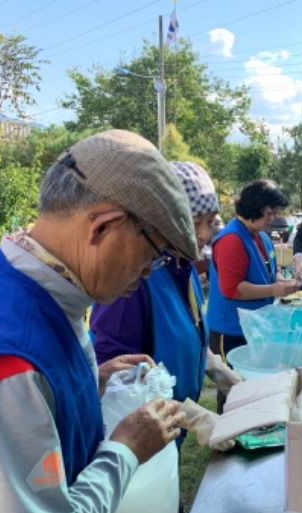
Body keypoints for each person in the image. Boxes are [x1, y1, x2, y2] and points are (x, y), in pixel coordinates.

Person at [0, 129, 192, 513]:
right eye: (152, 257)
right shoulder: (10, 367)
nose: (144, 277)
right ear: (103, 226)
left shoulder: (34, 289)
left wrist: (87, 381)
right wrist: (126, 450)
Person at [90, 161, 241, 438]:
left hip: (170, 428)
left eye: (210, 222)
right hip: (138, 435)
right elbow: (116, 378)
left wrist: (218, 370)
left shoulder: (184, 266)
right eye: (194, 223)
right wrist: (189, 415)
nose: (204, 235)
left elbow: (189, 331)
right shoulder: (134, 281)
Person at [208, 179, 299, 412]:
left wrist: (284, 284)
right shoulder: (231, 240)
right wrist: (272, 290)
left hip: (253, 326)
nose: (272, 219)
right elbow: (232, 289)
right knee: (232, 390)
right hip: (230, 330)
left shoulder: (261, 236)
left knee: (253, 388)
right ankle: (228, 441)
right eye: (269, 213)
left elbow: (267, 275)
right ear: (254, 208)